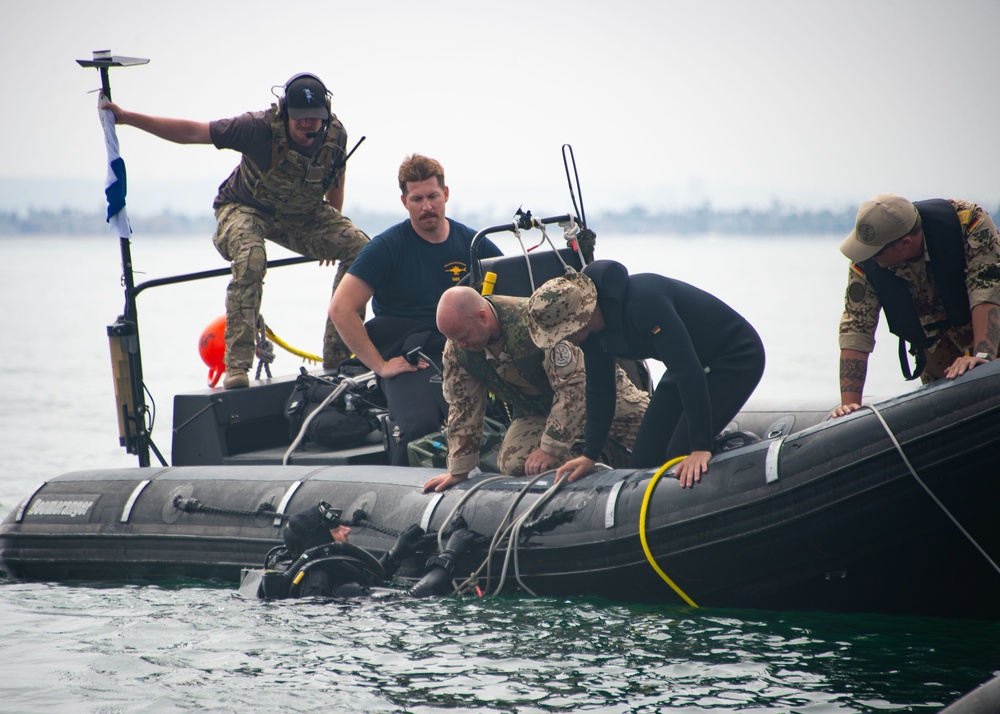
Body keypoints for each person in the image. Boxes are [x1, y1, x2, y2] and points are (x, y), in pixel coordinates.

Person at [102, 73, 370, 389]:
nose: (309, 125)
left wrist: (331, 236)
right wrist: (127, 118)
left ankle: (338, 359)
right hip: (243, 209)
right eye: (300, 120)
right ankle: (238, 367)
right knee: (251, 256)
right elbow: (192, 132)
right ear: (285, 114)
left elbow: (335, 179)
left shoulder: (335, 135)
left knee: (362, 248)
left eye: (315, 119)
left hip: (301, 215)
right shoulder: (255, 128)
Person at [526, 260, 766, 487]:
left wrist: (700, 447)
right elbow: (600, 389)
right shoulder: (592, 334)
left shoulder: (644, 304)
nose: (565, 341)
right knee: (643, 460)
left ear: (580, 319)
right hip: (687, 365)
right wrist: (590, 454)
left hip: (734, 357)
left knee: (678, 454)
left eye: (563, 333)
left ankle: (729, 456)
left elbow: (689, 371)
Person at [328, 155, 502, 465]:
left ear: (445, 194)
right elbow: (341, 309)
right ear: (404, 201)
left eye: (433, 196)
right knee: (419, 427)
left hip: (466, 349)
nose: (426, 206)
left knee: (496, 418)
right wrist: (380, 365)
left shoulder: (475, 244)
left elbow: (512, 295)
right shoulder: (386, 247)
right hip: (412, 357)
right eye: (417, 199)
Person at [423, 286, 650, 493]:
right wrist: (459, 470)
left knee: (659, 436)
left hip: (599, 394)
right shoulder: (458, 350)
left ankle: (611, 450)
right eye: (454, 340)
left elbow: (574, 388)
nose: (460, 345)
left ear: (482, 318)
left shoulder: (534, 322)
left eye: (463, 337)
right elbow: (463, 407)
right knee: (515, 464)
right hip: (539, 411)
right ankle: (606, 457)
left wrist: (551, 447)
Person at [834, 194, 1000, 418]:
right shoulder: (866, 259)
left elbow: (987, 288)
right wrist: (849, 406)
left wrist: (983, 356)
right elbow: (856, 327)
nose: (867, 258)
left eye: (875, 253)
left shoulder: (967, 222)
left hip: (992, 332)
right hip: (940, 354)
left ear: (905, 244)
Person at [278, 501, 476, 599]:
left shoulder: (311, 572)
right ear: (322, 543)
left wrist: (393, 556)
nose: (347, 530)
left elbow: (366, 580)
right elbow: (409, 600)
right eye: (337, 530)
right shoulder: (331, 585)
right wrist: (449, 556)